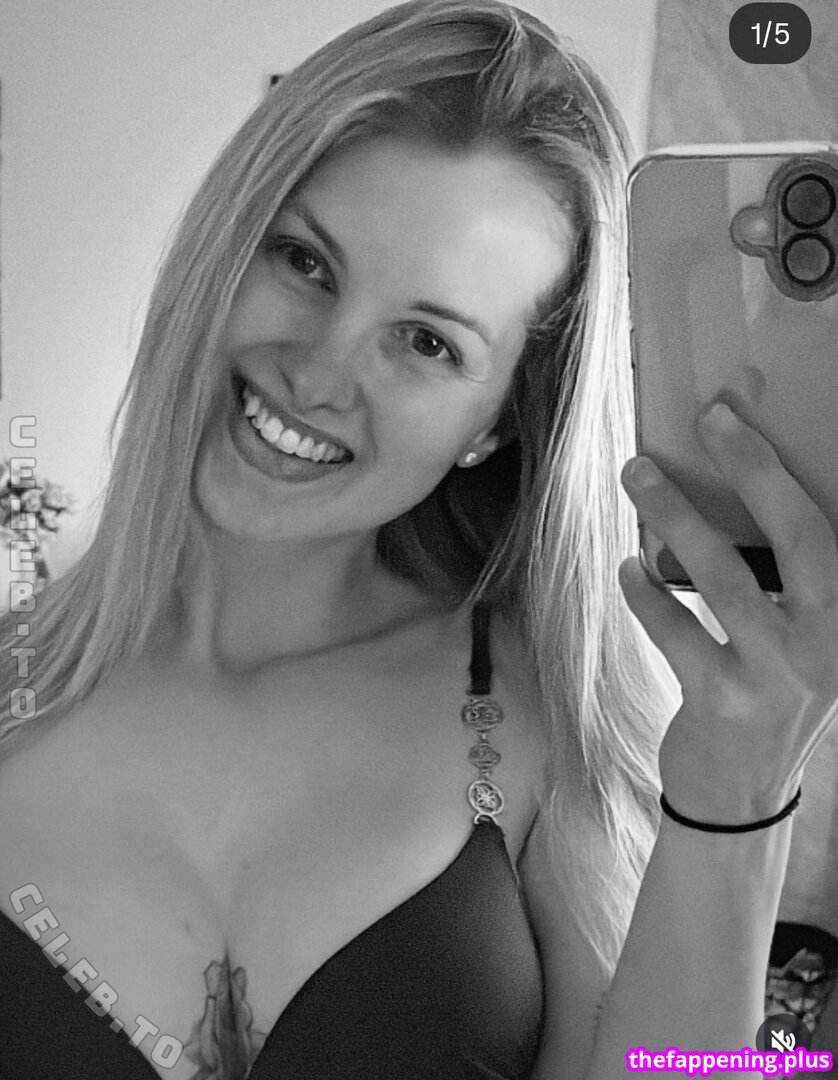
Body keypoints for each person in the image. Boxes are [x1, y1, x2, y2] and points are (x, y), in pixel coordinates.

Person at [1, 1, 837, 1077]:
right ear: (223, 247)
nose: (318, 373)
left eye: (427, 342)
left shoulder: (551, 721)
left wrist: (737, 792)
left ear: (496, 420)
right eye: (304, 262)